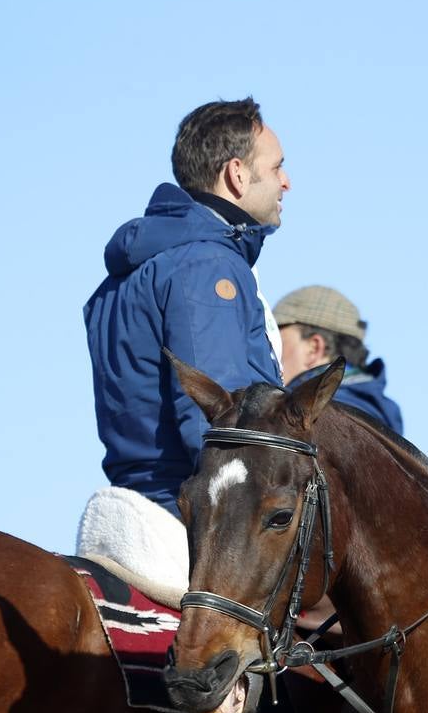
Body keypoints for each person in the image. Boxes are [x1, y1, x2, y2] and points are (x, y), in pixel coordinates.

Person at [84, 97, 290, 518]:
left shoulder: (141, 268)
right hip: (193, 512)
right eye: (276, 167)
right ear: (237, 174)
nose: (286, 182)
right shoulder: (207, 264)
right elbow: (217, 425)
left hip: (142, 499)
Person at [273, 285, 404, 433]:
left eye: (278, 344)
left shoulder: (319, 420)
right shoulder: (372, 416)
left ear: (313, 348)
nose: (271, 355)